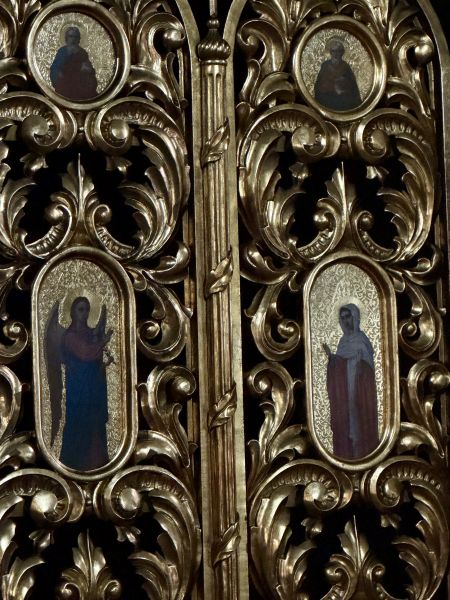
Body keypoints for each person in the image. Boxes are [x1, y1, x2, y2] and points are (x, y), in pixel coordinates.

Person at [45, 297, 113, 470]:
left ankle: (98, 463)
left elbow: (95, 357)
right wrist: (103, 342)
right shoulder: (70, 336)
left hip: (93, 386)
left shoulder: (90, 333)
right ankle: (74, 463)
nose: (84, 314)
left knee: (95, 423)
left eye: (87, 309)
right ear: (72, 312)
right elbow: (85, 353)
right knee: (79, 421)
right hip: (78, 388)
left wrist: (103, 360)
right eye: (80, 309)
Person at [323, 303, 379, 459]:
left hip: (359, 391)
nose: (345, 321)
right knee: (346, 423)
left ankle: (362, 454)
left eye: (348, 317)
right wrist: (332, 358)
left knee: (358, 424)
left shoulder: (362, 340)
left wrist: (361, 366)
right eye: (342, 318)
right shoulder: (342, 342)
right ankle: (348, 455)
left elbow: (369, 371)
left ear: (355, 317)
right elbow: (340, 365)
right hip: (345, 393)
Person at [50, 26, 98, 100]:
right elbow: (56, 68)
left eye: (75, 37)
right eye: (71, 36)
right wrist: (79, 67)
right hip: (66, 84)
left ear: (78, 39)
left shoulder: (82, 52)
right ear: (66, 38)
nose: (73, 39)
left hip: (81, 84)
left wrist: (89, 70)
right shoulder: (62, 51)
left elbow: (89, 68)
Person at [314, 39, 362, 111]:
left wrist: (343, 83)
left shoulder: (345, 66)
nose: (336, 54)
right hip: (327, 97)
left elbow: (353, 86)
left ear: (342, 53)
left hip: (342, 98)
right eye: (334, 51)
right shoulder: (325, 65)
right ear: (330, 52)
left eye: (338, 51)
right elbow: (319, 84)